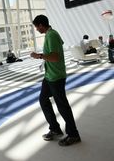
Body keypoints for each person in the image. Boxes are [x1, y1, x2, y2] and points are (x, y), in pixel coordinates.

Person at [30, 15, 81, 146]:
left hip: (56, 77)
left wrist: (39, 56)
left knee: (62, 105)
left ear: (41, 25)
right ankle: (55, 129)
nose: (36, 29)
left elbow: (55, 57)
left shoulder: (51, 35)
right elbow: (59, 46)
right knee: (43, 100)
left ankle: (73, 134)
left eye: (37, 27)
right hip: (49, 76)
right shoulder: (51, 34)